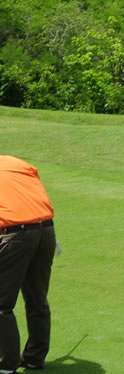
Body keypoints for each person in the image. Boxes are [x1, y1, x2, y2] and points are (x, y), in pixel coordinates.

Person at [0, 155, 57, 373]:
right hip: (46, 231)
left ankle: (6, 364)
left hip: (16, 236)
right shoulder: (19, 163)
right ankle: (34, 358)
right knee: (37, 299)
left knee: (1, 305)